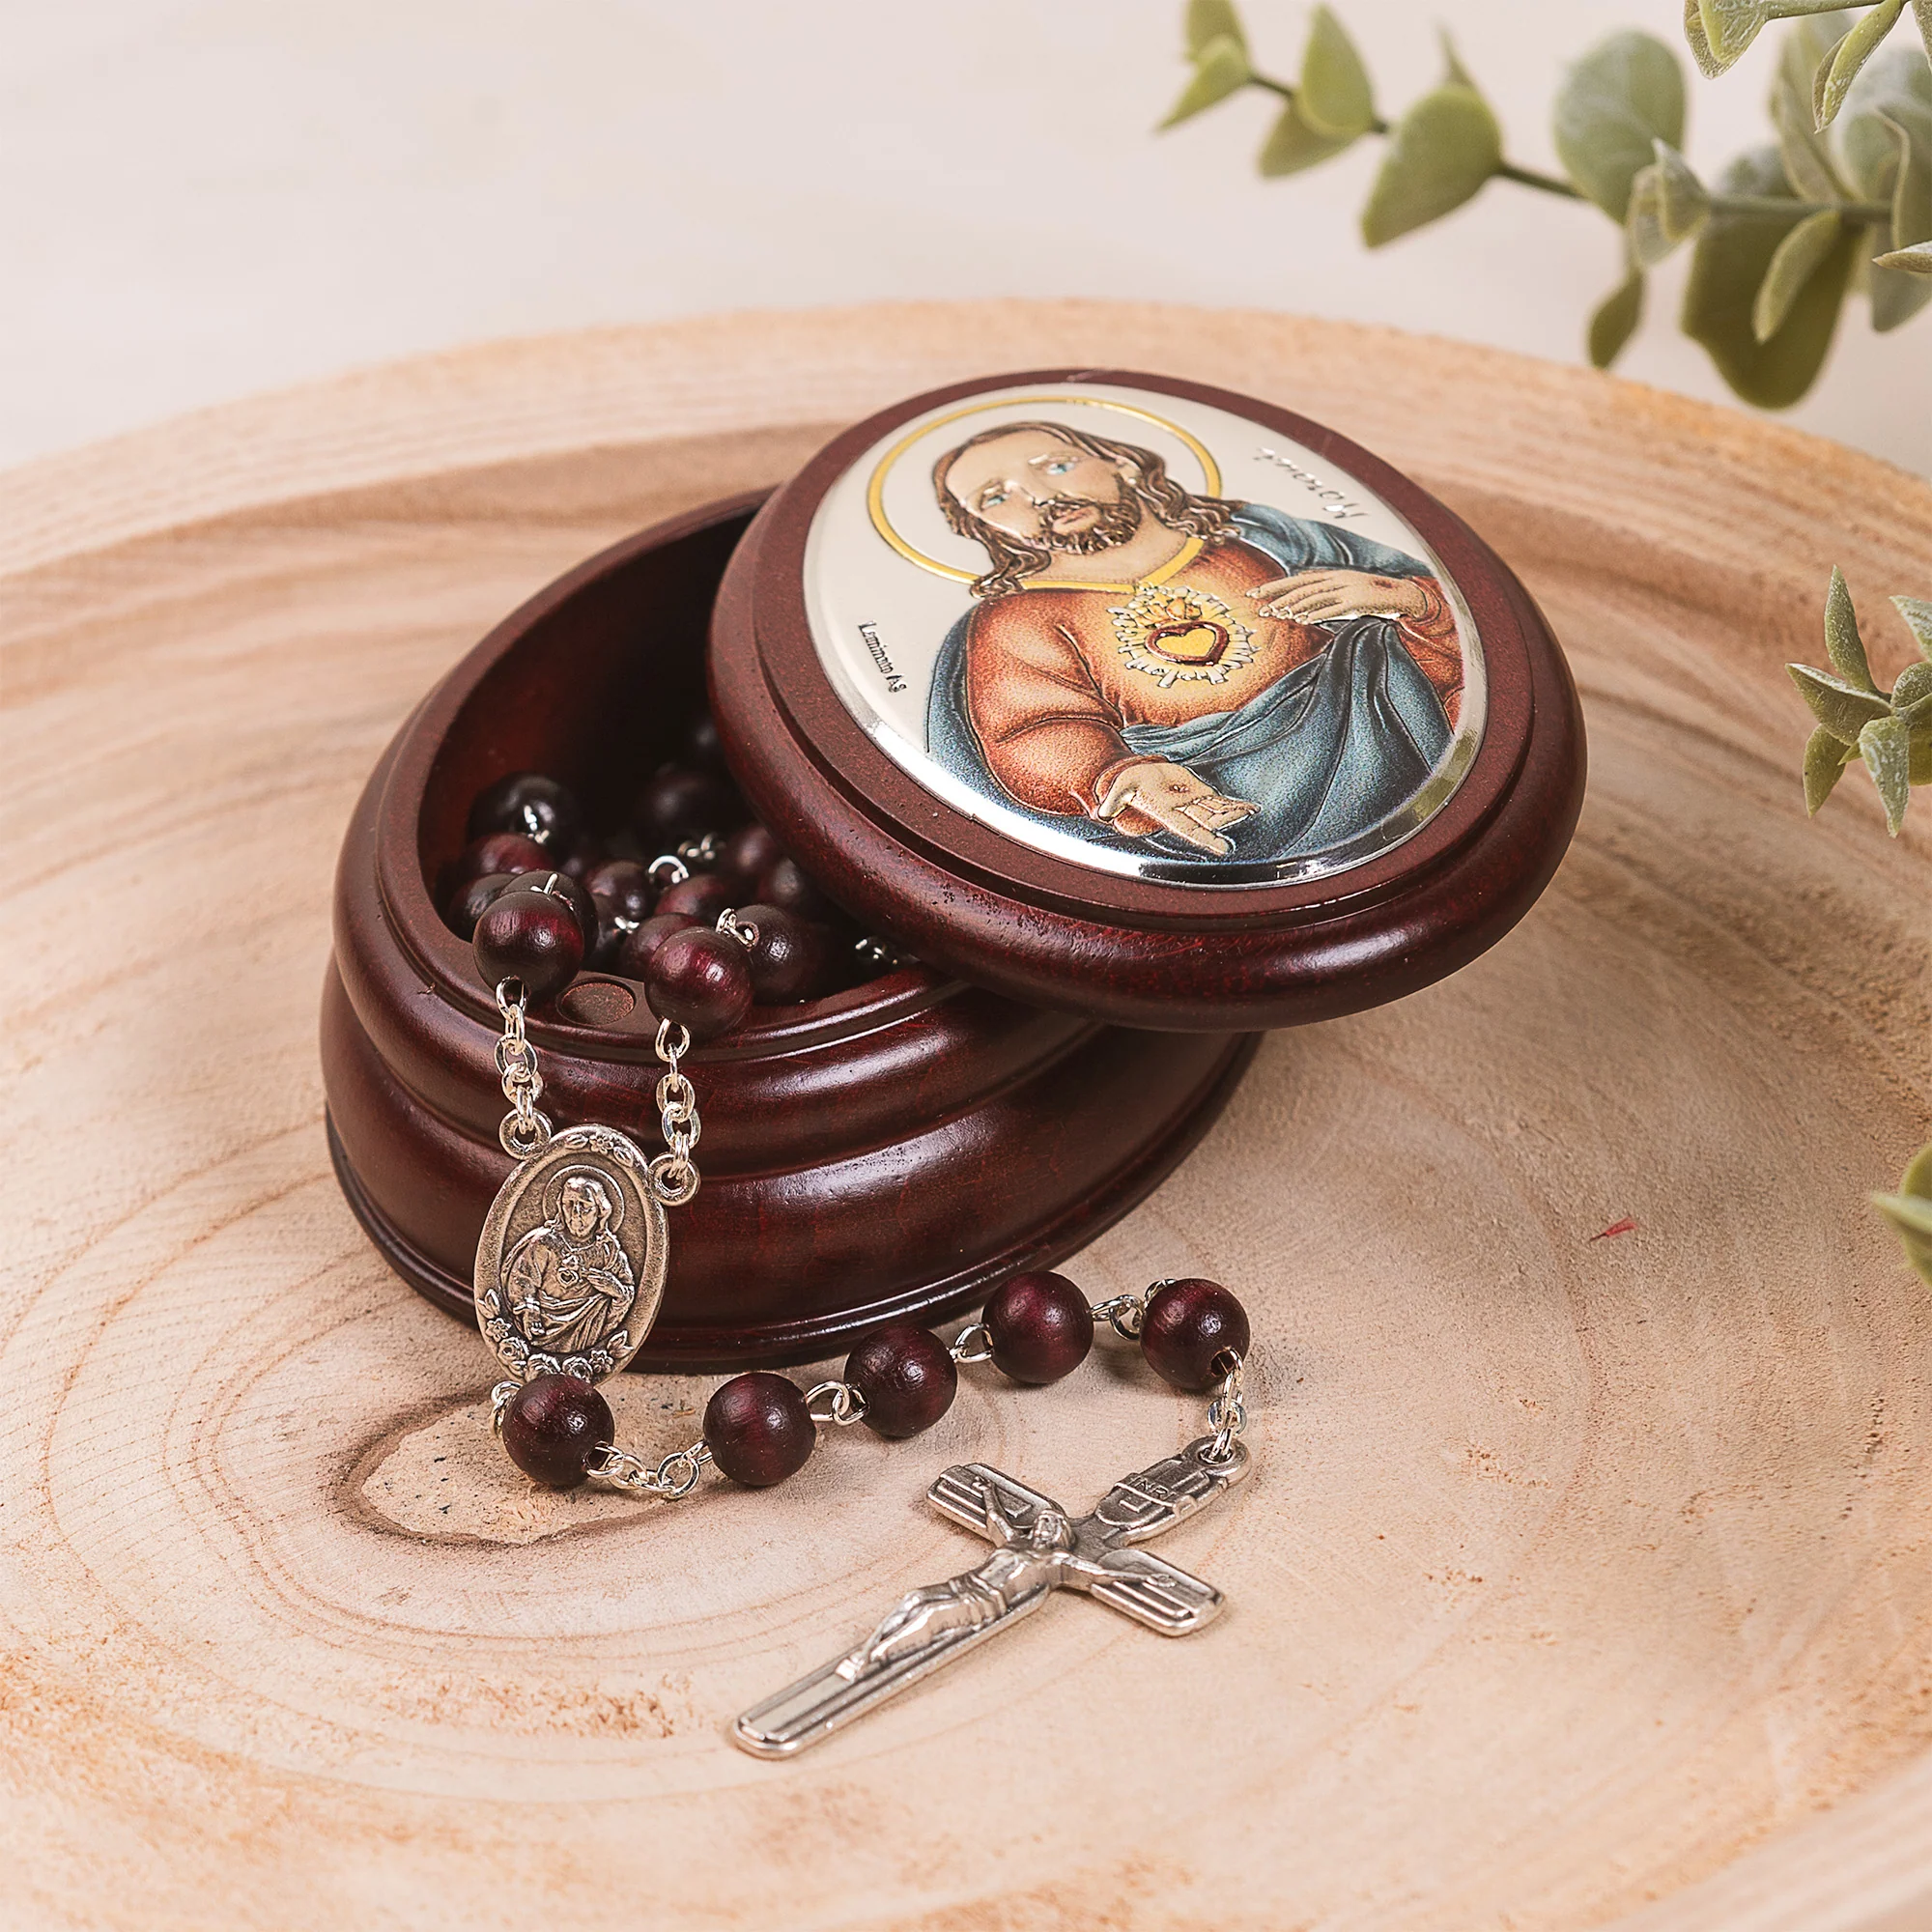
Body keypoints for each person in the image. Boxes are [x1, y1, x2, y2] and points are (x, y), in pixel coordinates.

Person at [924, 420, 1465, 864]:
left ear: (1122, 462)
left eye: (1057, 466)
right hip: (1206, 814)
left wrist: (1407, 599)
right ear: (982, 528)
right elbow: (1034, 728)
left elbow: (1448, 619)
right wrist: (1124, 775)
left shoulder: (1263, 538)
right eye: (996, 497)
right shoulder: (1017, 619)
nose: (1044, 496)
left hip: (1389, 750)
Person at [504, 1169, 635, 1358]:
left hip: (586, 1332)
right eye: (569, 1204)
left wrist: (615, 1289)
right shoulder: (546, 1242)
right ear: (560, 1206)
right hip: (541, 1328)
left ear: (600, 1211)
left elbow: (627, 1290)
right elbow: (522, 1278)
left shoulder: (608, 1251)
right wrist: (530, 1309)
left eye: (585, 1206)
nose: (575, 1213)